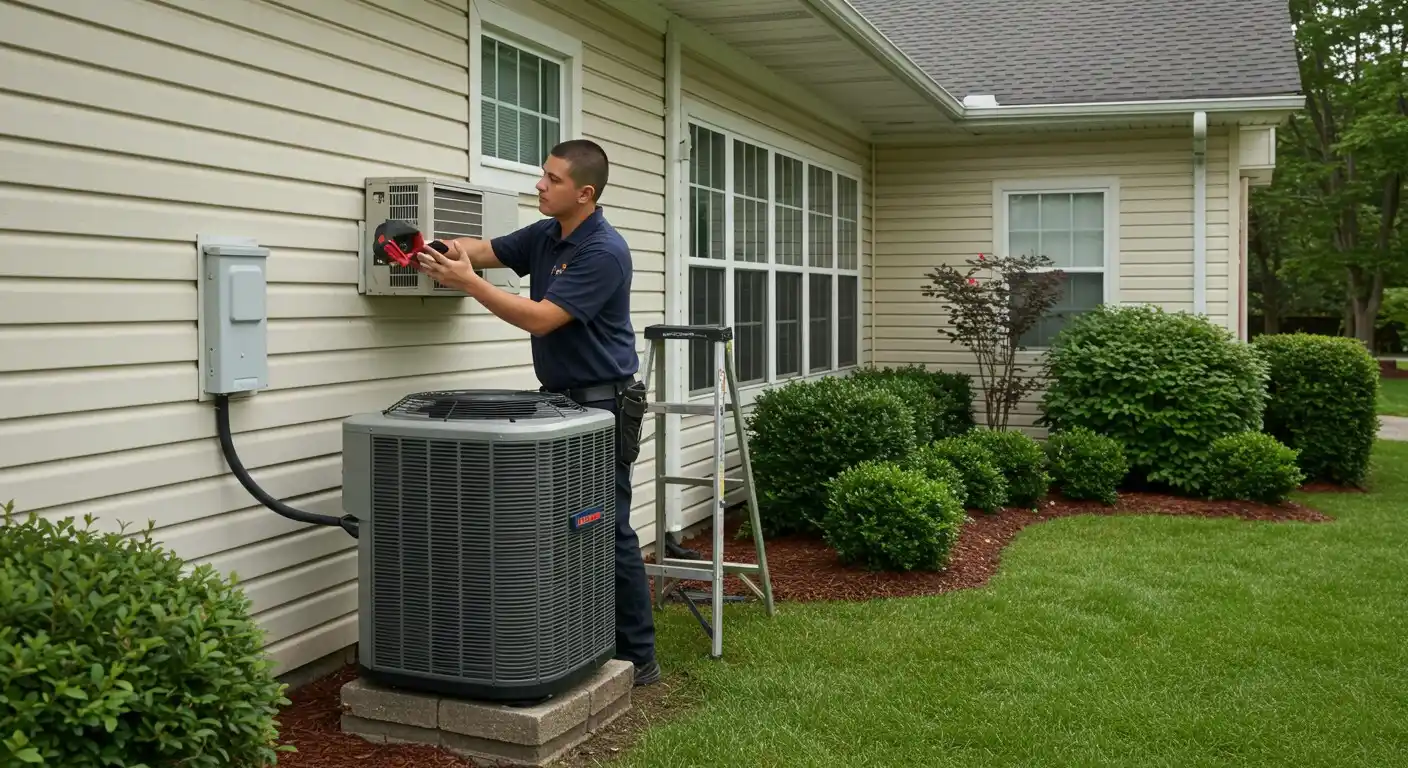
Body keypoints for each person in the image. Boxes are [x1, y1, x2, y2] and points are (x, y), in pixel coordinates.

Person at [414, 139, 660, 687]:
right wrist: (425, 249)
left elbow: (543, 319)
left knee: (607, 527)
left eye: (551, 179)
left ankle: (639, 657)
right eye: (542, 176)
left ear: (585, 193)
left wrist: (469, 285)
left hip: (603, 403)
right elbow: (481, 250)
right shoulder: (548, 233)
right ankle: (578, 632)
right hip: (562, 400)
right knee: (565, 524)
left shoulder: (603, 251)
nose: (539, 185)